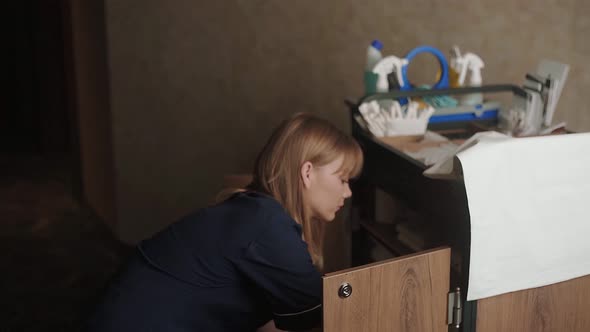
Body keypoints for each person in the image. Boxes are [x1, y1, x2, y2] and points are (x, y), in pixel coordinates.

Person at [87, 113, 363, 332]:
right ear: (307, 173)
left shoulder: (251, 209)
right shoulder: (268, 225)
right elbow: (325, 308)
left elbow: (274, 320)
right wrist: (358, 288)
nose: (348, 192)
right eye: (342, 179)